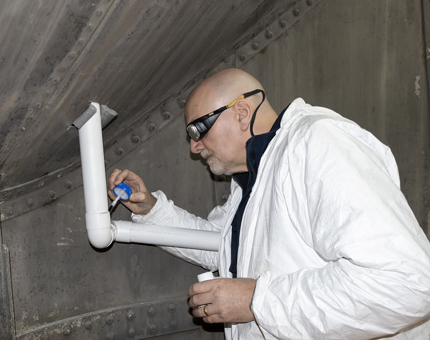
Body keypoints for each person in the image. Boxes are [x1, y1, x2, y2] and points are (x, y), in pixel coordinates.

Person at [109, 68, 430, 339]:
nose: (194, 146)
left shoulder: (318, 144)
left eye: (198, 129)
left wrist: (257, 300)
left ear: (241, 112)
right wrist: (151, 209)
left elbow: (406, 283)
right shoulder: (257, 175)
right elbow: (221, 247)